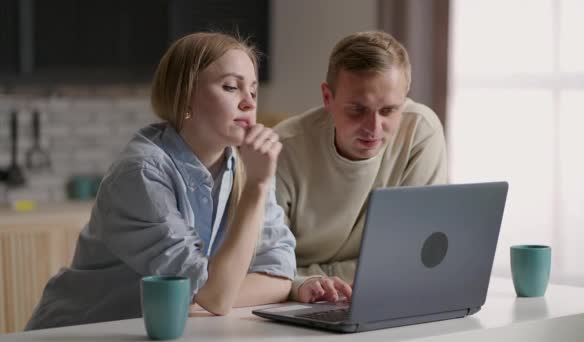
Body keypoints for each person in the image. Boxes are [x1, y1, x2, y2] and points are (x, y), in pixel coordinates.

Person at [25, 32, 296, 330]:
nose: (248, 103)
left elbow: (279, 275)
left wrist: (205, 298)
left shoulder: (248, 165)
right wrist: (257, 189)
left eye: (254, 92)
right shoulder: (141, 172)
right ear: (185, 96)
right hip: (78, 333)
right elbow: (216, 297)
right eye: (231, 87)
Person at [274, 31, 448, 303]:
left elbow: (413, 257)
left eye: (389, 110)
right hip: (296, 300)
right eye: (357, 110)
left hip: (382, 296)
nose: (373, 128)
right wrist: (304, 282)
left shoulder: (420, 131)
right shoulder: (282, 148)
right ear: (327, 98)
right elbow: (265, 265)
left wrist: (309, 274)